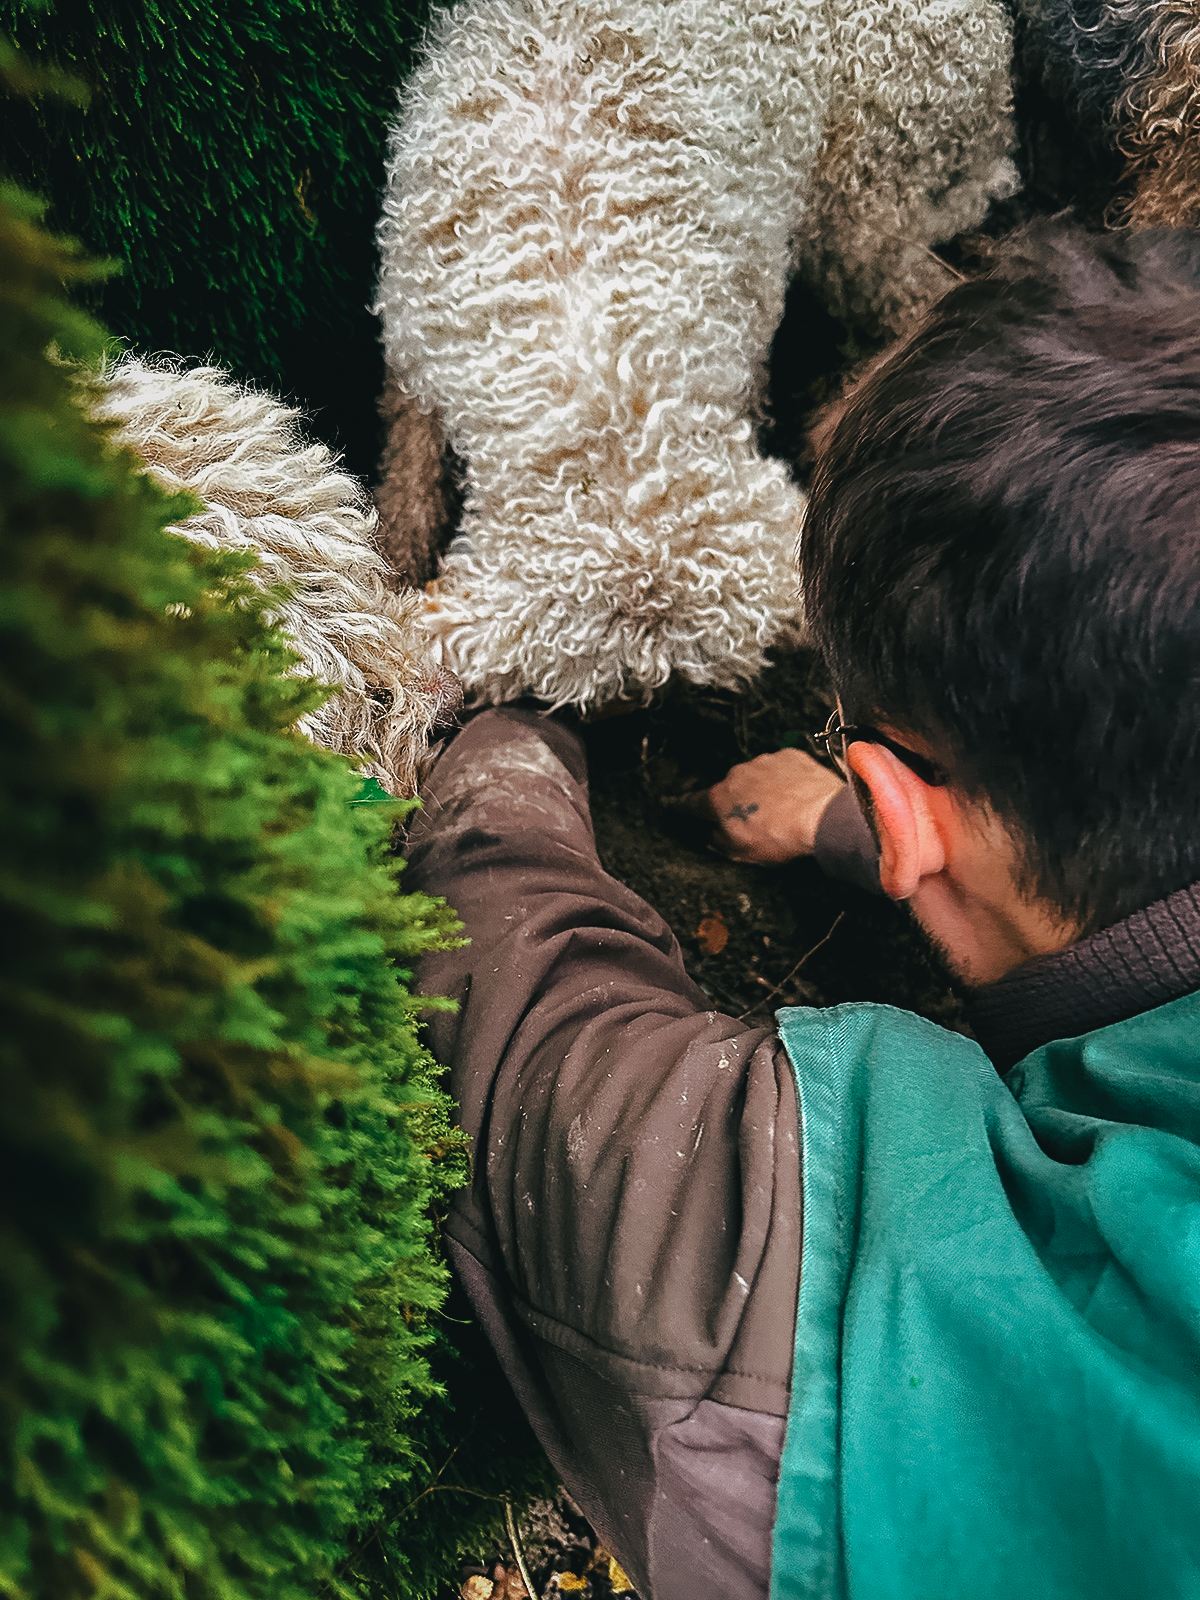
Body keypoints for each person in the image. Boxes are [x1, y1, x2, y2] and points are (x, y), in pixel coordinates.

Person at [403, 222, 1200, 1600]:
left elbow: (523, 1028)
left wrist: (509, 713)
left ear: (910, 819)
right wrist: (853, 822)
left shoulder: (966, 1337)